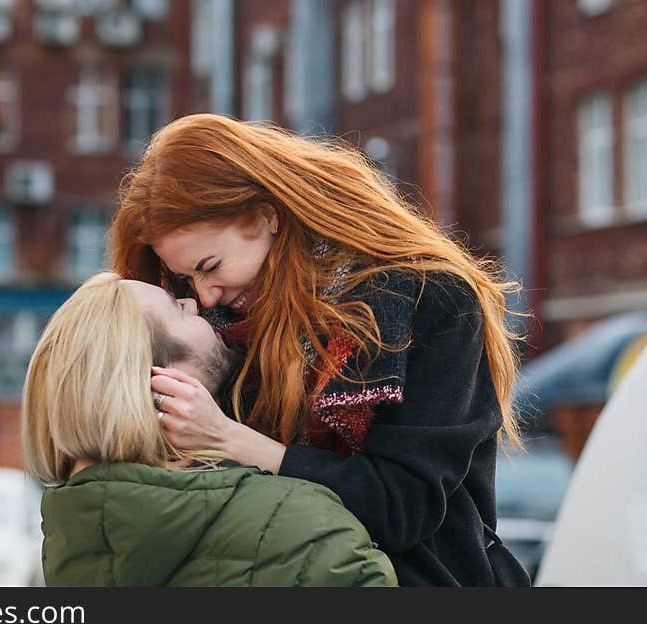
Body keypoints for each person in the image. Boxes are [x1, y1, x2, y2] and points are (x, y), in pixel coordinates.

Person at [109, 113, 532, 586]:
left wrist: (233, 440)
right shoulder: (223, 334)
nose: (205, 296)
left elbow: (403, 509)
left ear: (267, 215)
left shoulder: (427, 298)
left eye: (210, 266)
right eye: (188, 280)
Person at [20, 271, 397, 587]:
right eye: (176, 309)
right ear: (163, 384)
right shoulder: (308, 529)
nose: (193, 302)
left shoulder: (69, 539)